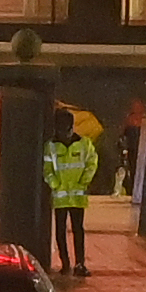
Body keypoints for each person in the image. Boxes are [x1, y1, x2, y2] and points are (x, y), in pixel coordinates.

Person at [42, 112, 98, 273]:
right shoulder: (51, 146)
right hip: (60, 197)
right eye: (61, 130)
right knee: (60, 231)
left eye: (66, 130)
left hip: (78, 196)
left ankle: (80, 264)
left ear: (72, 127)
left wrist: (84, 181)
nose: (64, 134)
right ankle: (65, 263)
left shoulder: (84, 144)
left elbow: (92, 163)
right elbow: (47, 169)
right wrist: (55, 184)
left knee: (78, 230)